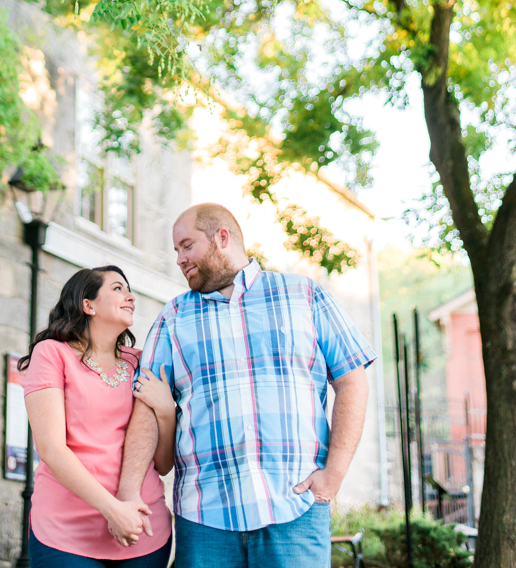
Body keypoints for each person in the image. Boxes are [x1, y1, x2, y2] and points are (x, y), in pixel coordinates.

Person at [115, 204, 376, 568]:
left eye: (186, 245)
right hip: (204, 519)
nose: (179, 259)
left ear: (222, 237)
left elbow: (352, 380)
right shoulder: (172, 317)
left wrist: (334, 475)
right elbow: (144, 404)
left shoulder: (302, 295)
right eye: (176, 250)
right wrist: (127, 493)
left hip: (295, 510)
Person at [19, 265, 175, 568]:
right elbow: (51, 448)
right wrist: (113, 510)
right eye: (118, 288)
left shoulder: (142, 361)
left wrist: (166, 412)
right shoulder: (52, 354)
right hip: (65, 534)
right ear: (87, 304)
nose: (130, 296)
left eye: (129, 290)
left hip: (142, 529)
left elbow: (164, 464)